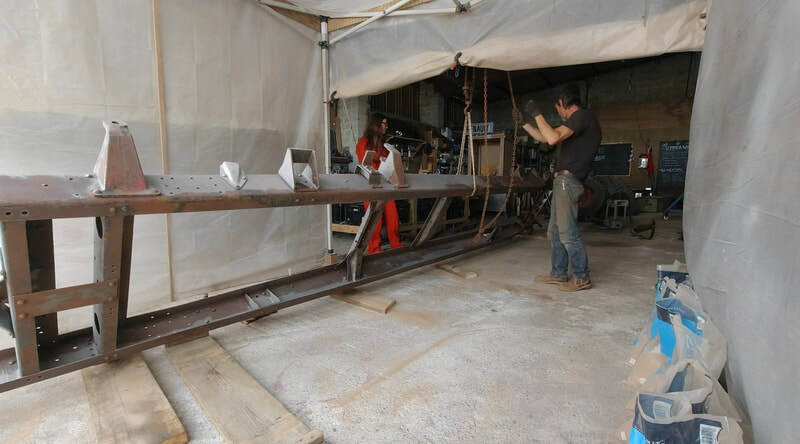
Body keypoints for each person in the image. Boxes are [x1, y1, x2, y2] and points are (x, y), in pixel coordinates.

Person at [516, 84, 601, 291]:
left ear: (562, 103)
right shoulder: (578, 122)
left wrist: (536, 113)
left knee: (567, 232)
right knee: (555, 231)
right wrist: (524, 124)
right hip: (563, 183)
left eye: (557, 108)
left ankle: (581, 277)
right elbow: (546, 137)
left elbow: (552, 138)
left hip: (568, 183)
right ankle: (559, 273)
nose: (559, 112)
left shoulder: (582, 116)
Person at [355, 113, 403, 254]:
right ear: (376, 125)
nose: (386, 127)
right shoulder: (363, 143)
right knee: (374, 220)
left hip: (384, 184)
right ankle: (374, 249)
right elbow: (365, 162)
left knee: (393, 215)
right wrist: (379, 158)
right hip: (370, 185)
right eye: (384, 123)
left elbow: (388, 162)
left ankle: (396, 244)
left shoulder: (382, 145)